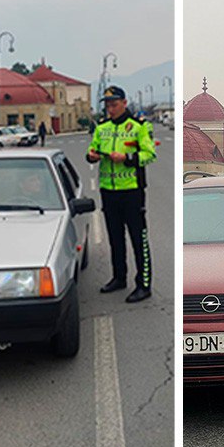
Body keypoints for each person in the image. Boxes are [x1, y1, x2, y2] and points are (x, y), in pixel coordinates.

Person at [86, 86, 157, 303]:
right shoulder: (102, 128)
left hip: (132, 191)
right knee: (115, 238)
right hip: (109, 191)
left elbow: (149, 154)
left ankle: (144, 285)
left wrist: (126, 158)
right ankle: (119, 277)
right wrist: (92, 156)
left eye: (114, 104)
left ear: (124, 103)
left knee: (138, 239)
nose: (110, 109)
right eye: (107, 105)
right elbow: (92, 151)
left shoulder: (138, 127)